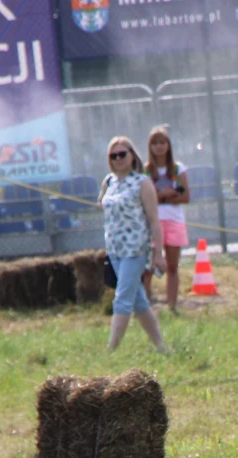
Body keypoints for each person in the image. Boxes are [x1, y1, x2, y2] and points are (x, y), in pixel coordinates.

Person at [98, 136, 169, 353]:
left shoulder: (142, 183)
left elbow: (154, 220)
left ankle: (110, 350)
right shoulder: (109, 182)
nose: (118, 159)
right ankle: (162, 347)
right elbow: (101, 204)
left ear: (132, 156)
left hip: (136, 249)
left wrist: (159, 254)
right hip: (115, 250)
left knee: (122, 299)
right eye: (114, 155)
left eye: (122, 154)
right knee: (138, 300)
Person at [142, 126, 190, 311]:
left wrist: (159, 196)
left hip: (174, 221)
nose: (159, 147)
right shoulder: (146, 171)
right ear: (150, 147)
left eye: (162, 142)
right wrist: (168, 194)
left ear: (168, 145)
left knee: (172, 267)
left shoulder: (178, 169)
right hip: (153, 223)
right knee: (149, 267)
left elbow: (185, 196)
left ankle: (172, 306)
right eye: (155, 143)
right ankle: (145, 305)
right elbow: (146, 197)